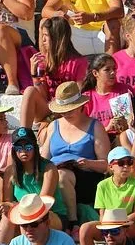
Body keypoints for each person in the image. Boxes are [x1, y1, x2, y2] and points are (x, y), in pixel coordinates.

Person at [39, 81, 111, 231]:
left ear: (80, 106)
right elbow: (43, 158)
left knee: (62, 175)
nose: (67, 113)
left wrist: (88, 163)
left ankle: (73, 223)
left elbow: (107, 165)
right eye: (63, 111)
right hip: (56, 173)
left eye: (70, 109)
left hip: (86, 177)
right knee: (53, 174)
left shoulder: (95, 126)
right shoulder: (54, 126)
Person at [0, 127, 68, 241]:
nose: (23, 152)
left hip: (49, 214)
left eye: (28, 147)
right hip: (23, 214)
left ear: (35, 148)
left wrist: (12, 206)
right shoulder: (10, 171)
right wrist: (3, 206)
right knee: (7, 215)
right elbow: (7, 201)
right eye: (18, 148)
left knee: (28, 218)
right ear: (13, 150)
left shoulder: (48, 168)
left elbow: (42, 204)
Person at [18, 16, 87, 128]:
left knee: (46, 134)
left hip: (68, 108)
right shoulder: (45, 59)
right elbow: (43, 95)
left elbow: (79, 95)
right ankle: (24, 135)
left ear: (57, 38)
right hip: (49, 108)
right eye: (42, 36)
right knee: (30, 90)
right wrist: (35, 75)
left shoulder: (79, 63)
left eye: (46, 36)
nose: (43, 40)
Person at [78, 147, 135, 245]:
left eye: (129, 162)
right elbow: (102, 214)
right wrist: (110, 226)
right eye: (121, 163)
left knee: (125, 228)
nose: (126, 166)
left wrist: (119, 224)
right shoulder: (102, 185)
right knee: (85, 229)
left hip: (128, 223)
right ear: (111, 167)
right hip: (107, 224)